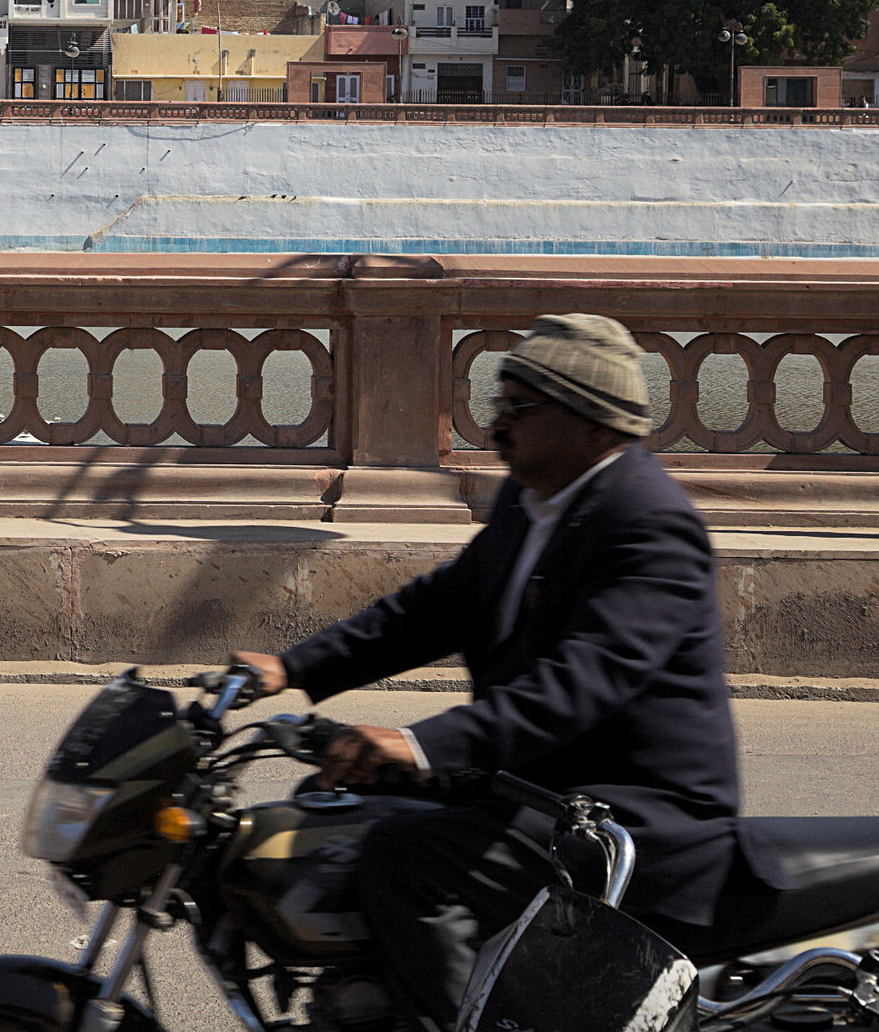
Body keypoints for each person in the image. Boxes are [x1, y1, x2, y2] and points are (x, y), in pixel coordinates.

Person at [231, 313, 783, 1031]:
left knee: (407, 859)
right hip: (541, 787)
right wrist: (293, 665)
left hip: (632, 816)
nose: (498, 424)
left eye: (521, 408)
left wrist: (418, 744)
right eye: (499, 403)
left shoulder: (649, 522)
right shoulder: (535, 505)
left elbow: (579, 682)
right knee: (330, 802)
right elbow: (433, 609)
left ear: (592, 421)